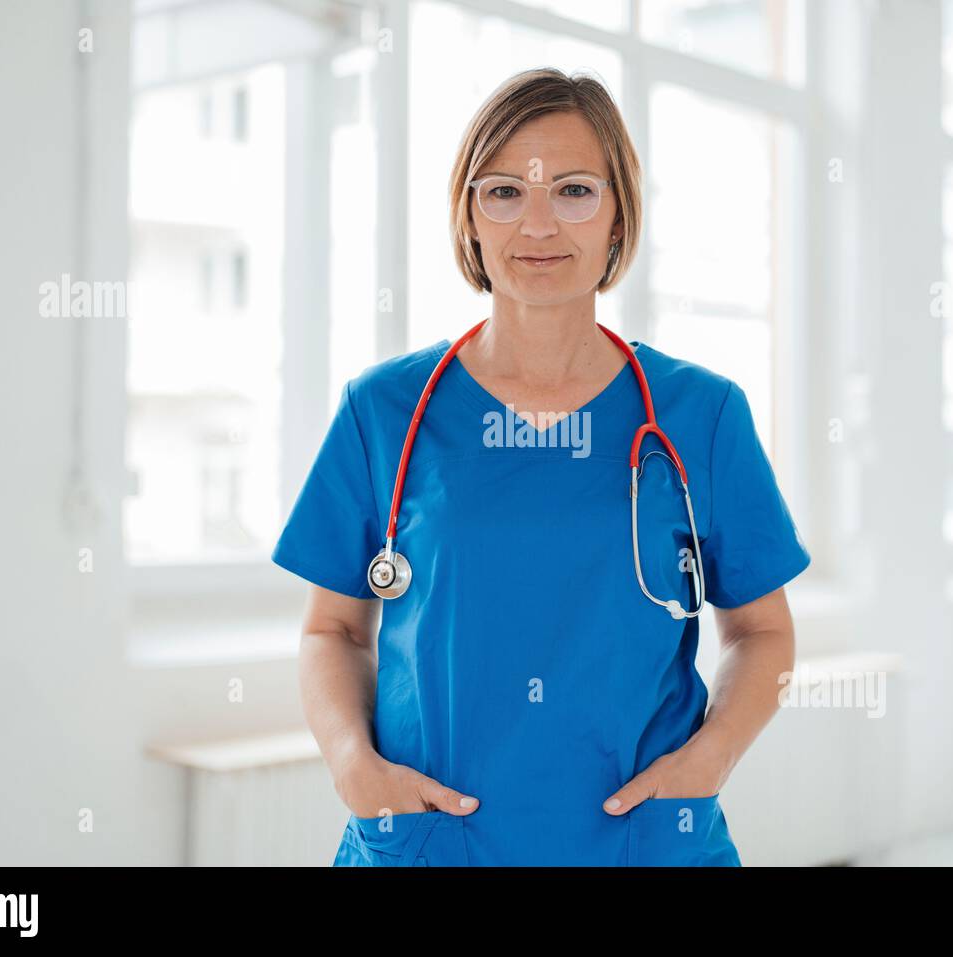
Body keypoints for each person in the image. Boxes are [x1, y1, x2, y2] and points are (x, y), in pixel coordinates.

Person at [272, 67, 810, 866]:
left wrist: (711, 759)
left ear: (618, 213)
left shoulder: (702, 415)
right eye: (503, 192)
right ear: (469, 216)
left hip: (643, 843)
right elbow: (334, 627)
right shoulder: (383, 411)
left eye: (574, 190)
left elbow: (762, 631)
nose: (538, 224)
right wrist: (354, 767)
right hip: (433, 842)